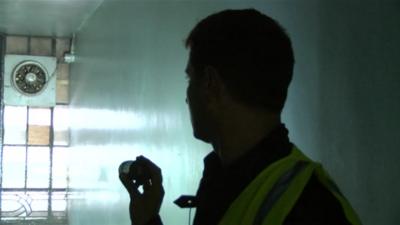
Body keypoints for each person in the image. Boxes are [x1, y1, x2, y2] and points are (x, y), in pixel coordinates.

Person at [120, 9, 362, 225]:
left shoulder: (312, 210)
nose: (187, 97)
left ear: (210, 86)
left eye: (190, 79)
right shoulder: (225, 178)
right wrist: (148, 221)